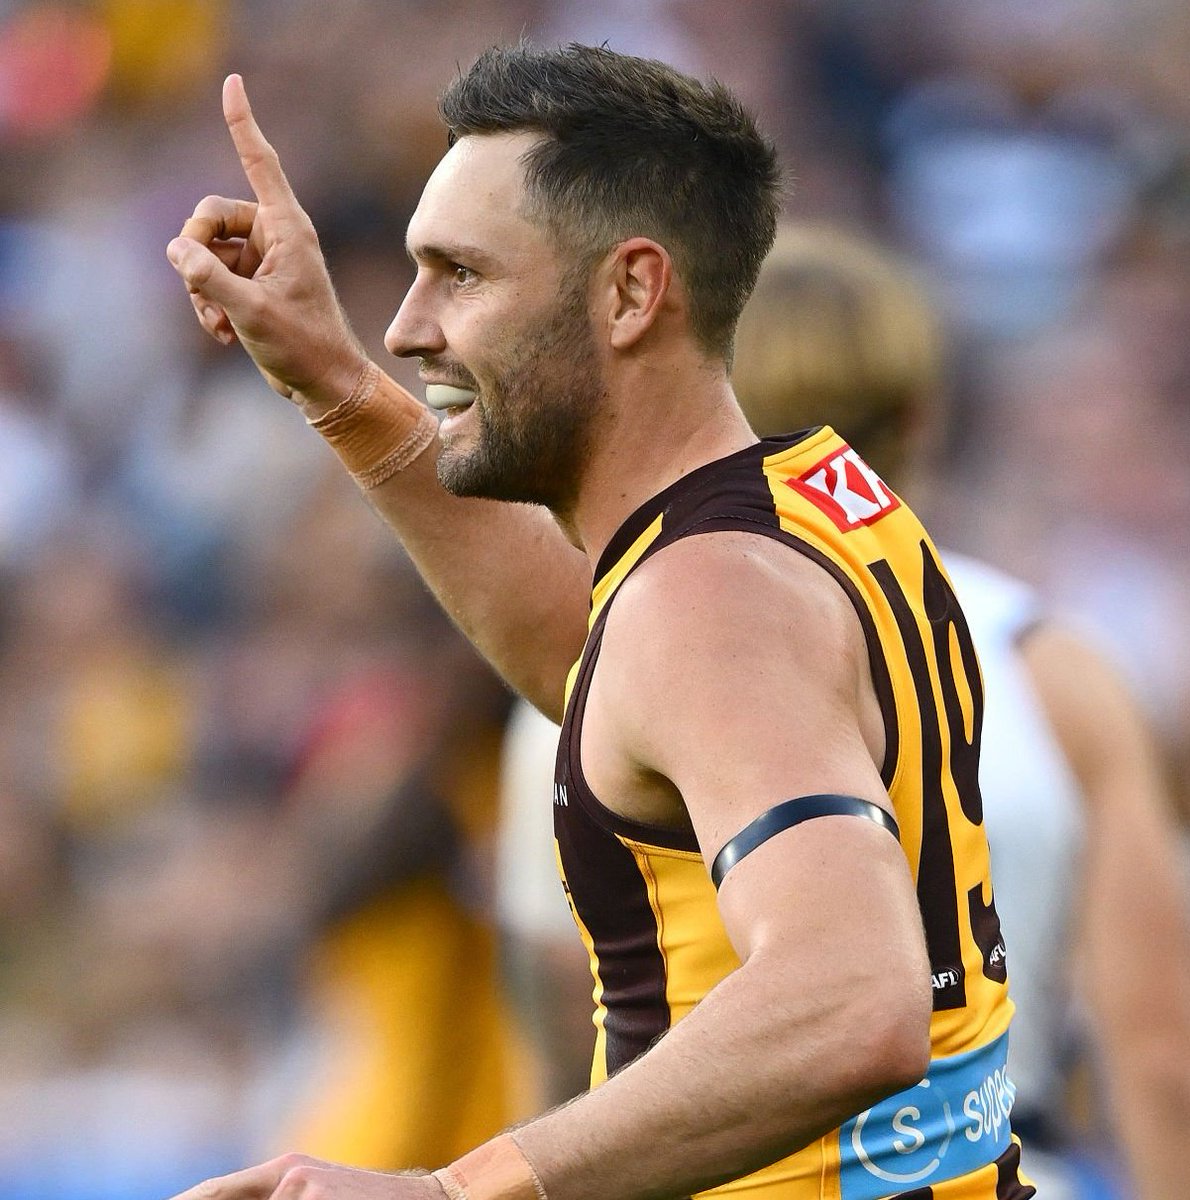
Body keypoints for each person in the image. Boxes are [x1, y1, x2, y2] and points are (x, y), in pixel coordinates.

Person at [164, 42, 1033, 1200]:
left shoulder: (707, 598)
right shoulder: (811, 503)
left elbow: (850, 1002)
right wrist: (334, 381)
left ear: (630, 291)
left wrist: (449, 1194)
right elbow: (608, 683)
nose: (411, 328)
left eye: (460, 275)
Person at [730, 222, 1190, 1200]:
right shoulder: (1049, 668)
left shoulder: (606, 659)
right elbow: (1155, 1052)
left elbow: (575, 1019)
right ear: (923, 413)